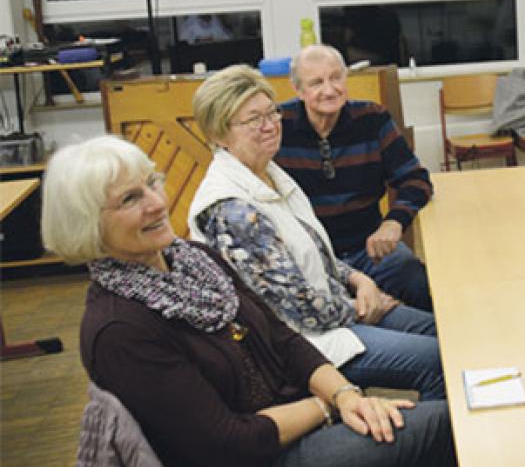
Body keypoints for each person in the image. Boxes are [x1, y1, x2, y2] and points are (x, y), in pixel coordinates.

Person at [41, 135, 455, 467]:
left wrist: (346, 395)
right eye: (130, 199)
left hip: (295, 421)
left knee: (446, 414)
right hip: (264, 454)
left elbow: (282, 339)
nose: (157, 203)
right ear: (86, 225)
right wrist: (329, 406)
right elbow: (226, 443)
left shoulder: (194, 259)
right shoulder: (119, 329)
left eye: (152, 183)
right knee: (447, 425)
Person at [187, 65, 445, 401]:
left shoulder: (269, 172)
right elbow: (300, 310)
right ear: (219, 134)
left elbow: (315, 252)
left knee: (446, 331)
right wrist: (363, 307)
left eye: (272, 113)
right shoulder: (233, 210)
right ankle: (432, 433)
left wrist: (360, 280)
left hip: (336, 312)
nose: (270, 125)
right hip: (305, 344)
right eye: (253, 120)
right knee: (438, 360)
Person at [274, 44, 434, 312]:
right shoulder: (277, 126)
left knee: (420, 284)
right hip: (311, 257)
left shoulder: (373, 119)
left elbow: (415, 179)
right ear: (298, 90)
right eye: (316, 83)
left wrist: (394, 222)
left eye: (336, 78)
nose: (329, 90)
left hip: (369, 249)